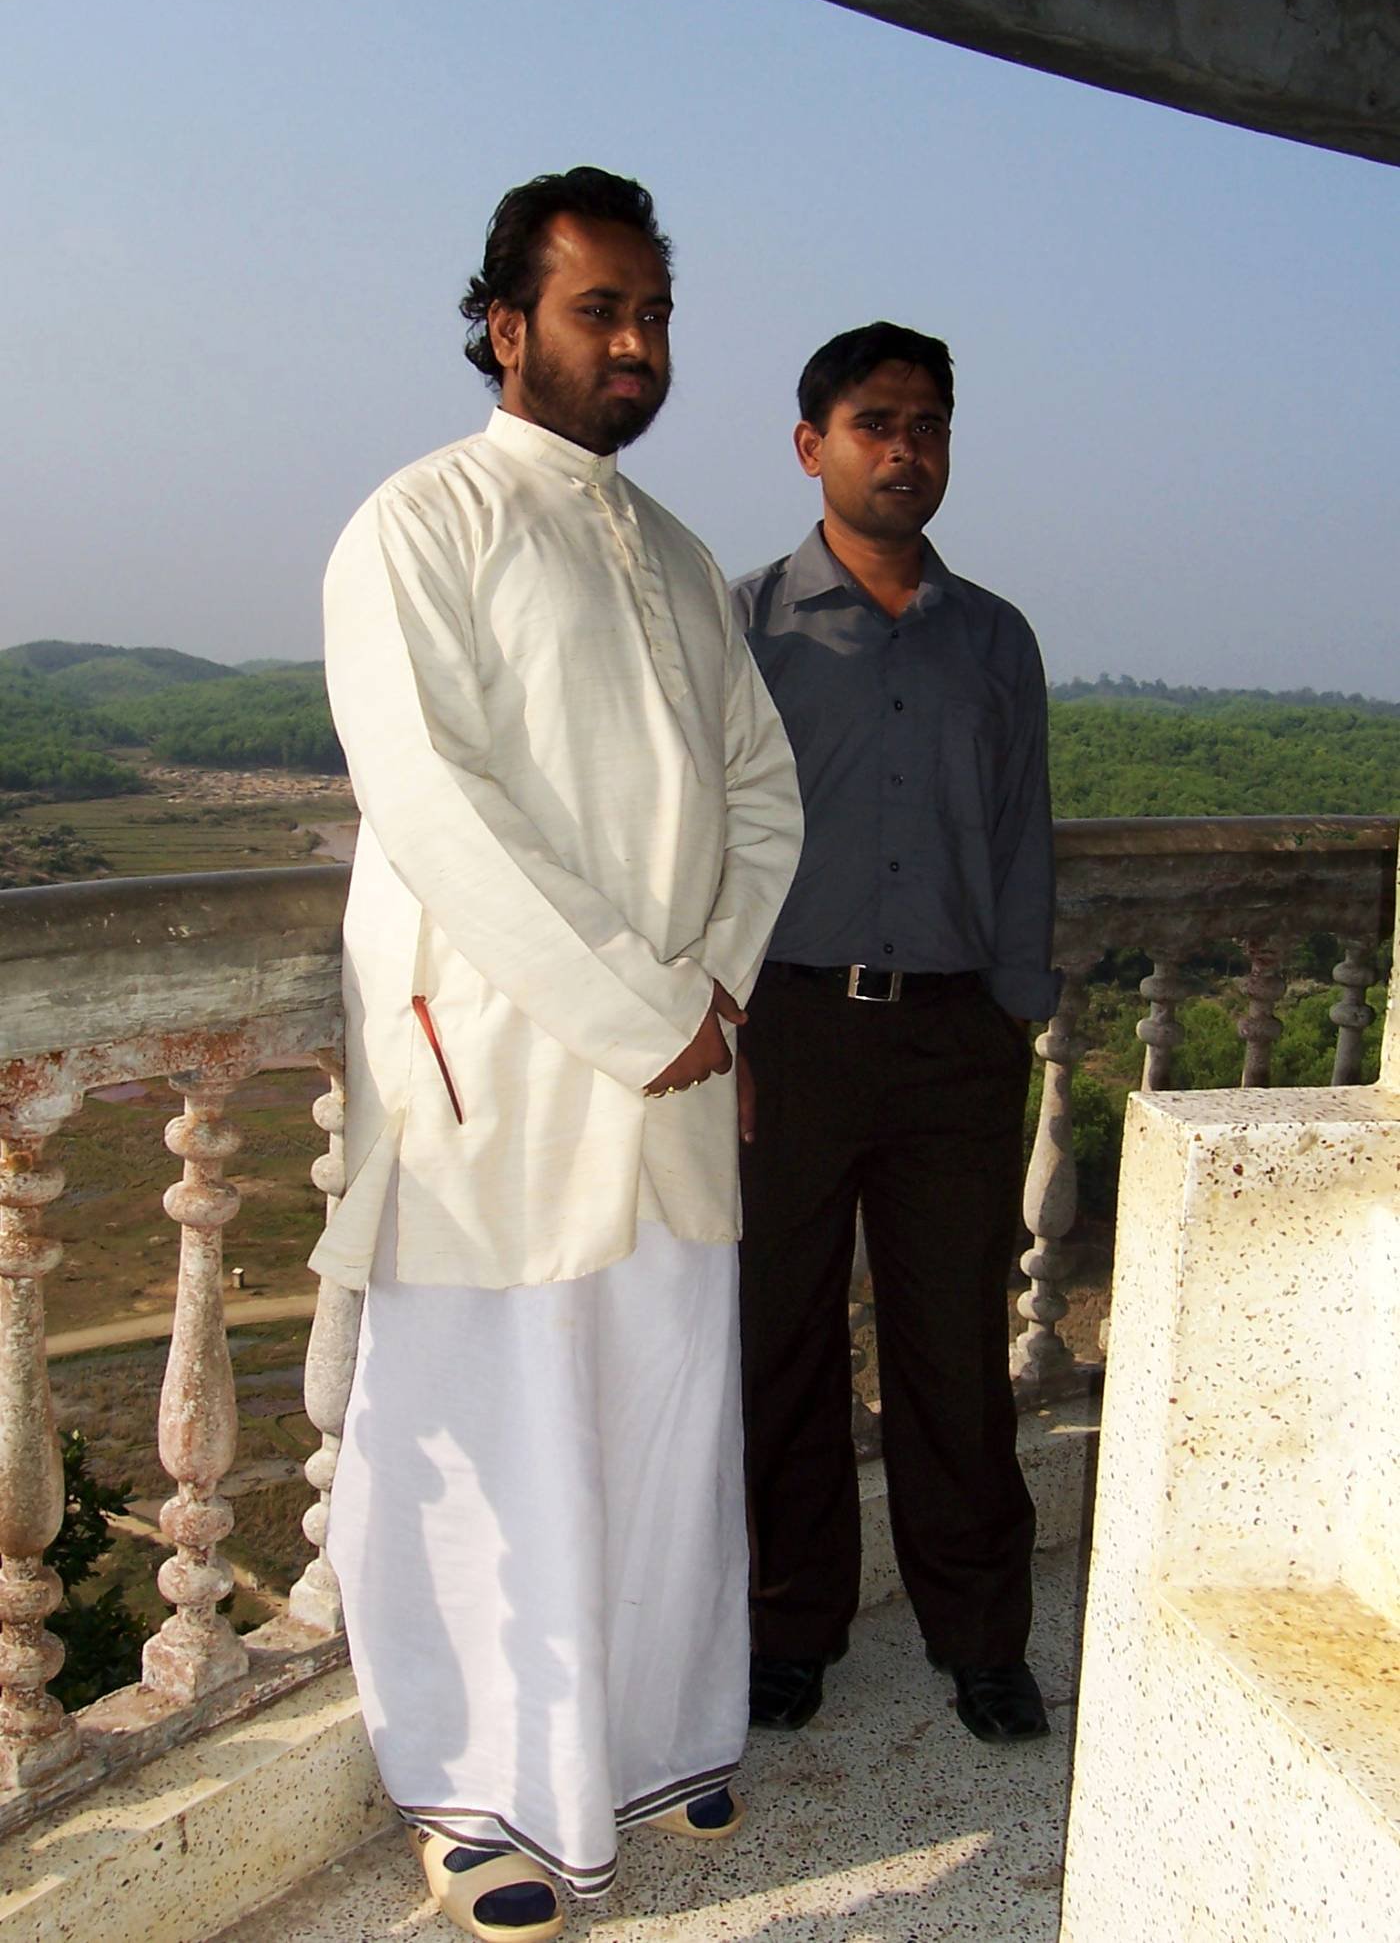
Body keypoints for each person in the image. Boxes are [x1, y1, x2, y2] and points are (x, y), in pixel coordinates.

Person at [311, 167, 802, 1942]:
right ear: (507, 325)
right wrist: (629, 1003)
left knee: (664, 1414)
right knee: (484, 1430)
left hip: (674, 1055)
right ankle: (475, 1789)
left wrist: (711, 990)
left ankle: (662, 1735)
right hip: (496, 1077)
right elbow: (435, 804)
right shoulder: (416, 522)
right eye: (603, 310)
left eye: (656, 312)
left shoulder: (675, 552)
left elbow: (762, 788)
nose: (639, 345)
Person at [731, 321, 1058, 1747]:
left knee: (951, 1348)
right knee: (779, 1341)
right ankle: (787, 1627)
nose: (905, 448)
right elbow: (701, 837)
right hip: (792, 1031)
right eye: (875, 421)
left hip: (954, 1045)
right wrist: (725, 1023)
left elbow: (1023, 832)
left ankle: (982, 1636)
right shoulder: (745, 627)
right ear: (812, 445)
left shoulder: (997, 636)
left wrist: (1016, 1009)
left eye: (928, 422)